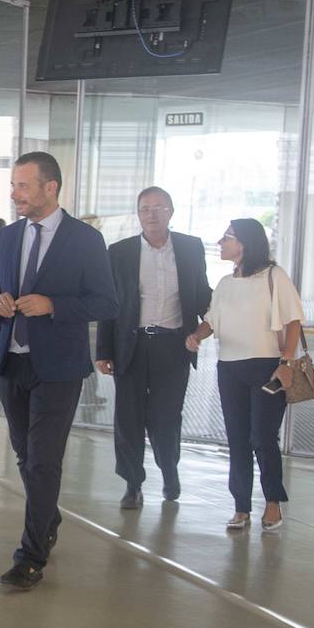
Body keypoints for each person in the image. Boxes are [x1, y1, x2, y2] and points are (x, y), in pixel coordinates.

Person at [0, 152, 117, 589]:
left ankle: (31, 556)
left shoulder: (85, 240)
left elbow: (107, 302)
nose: (14, 194)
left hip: (59, 367)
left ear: (51, 187)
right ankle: (48, 518)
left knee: (43, 459)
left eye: (23, 185)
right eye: (13, 185)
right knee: (25, 456)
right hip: (11, 361)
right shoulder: (7, 236)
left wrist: (54, 305)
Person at [95, 186, 212, 508]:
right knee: (128, 418)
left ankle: (169, 470)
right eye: (145, 208)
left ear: (171, 212)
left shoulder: (190, 248)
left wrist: (216, 318)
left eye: (159, 207)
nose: (152, 214)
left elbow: (202, 293)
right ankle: (132, 484)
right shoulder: (120, 252)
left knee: (166, 417)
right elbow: (110, 304)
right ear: (138, 214)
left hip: (173, 346)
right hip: (131, 346)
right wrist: (103, 351)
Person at [185, 219, 306, 532]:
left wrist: (286, 361)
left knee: (262, 438)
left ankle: (273, 501)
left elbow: (293, 320)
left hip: (267, 367)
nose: (220, 242)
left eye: (227, 237)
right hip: (230, 368)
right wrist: (197, 335)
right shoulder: (225, 283)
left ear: (245, 243)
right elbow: (211, 319)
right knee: (237, 439)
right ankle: (241, 506)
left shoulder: (274, 276)